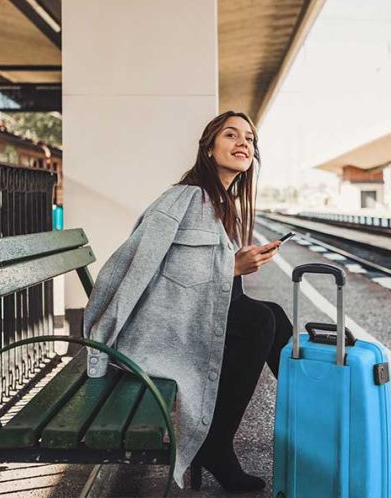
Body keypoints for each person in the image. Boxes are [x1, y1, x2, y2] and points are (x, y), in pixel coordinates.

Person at [83, 111, 292, 492]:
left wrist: (233, 263)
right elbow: (140, 265)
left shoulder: (220, 202)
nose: (243, 142)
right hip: (160, 329)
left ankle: (305, 411)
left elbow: (197, 267)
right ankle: (221, 442)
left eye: (249, 138)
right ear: (209, 149)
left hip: (188, 318)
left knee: (271, 315)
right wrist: (230, 266)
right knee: (261, 320)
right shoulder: (185, 197)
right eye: (231, 135)